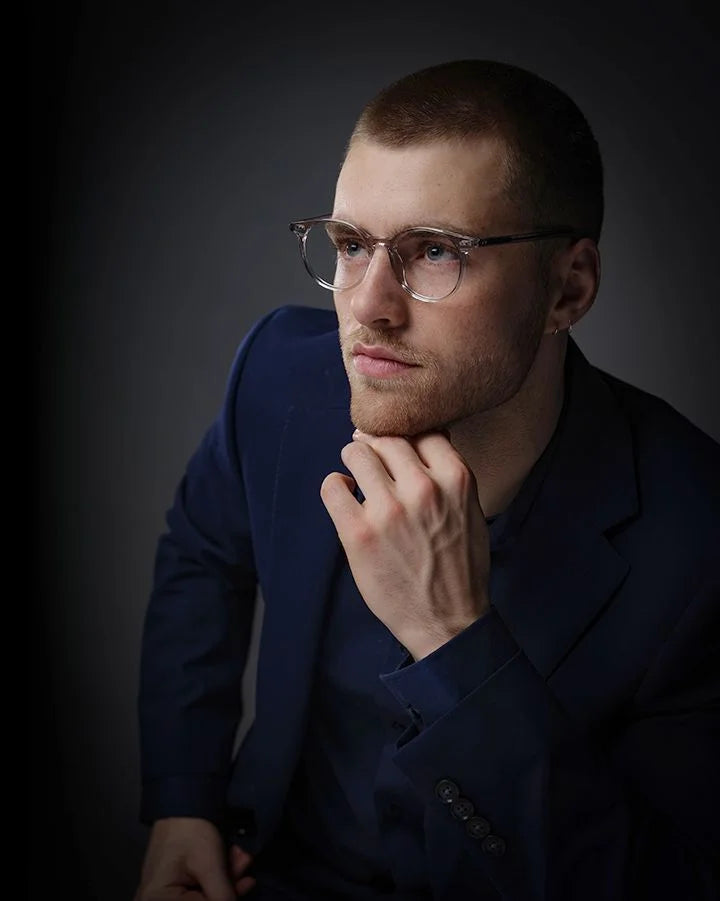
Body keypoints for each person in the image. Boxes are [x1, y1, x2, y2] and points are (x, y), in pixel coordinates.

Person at [134, 60, 720, 901]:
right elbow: (200, 552)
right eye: (349, 245)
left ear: (569, 287)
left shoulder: (698, 543)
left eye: (434, 251)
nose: (368, 304)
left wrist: (455, 639)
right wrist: (181, 801)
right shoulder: (278, 378)